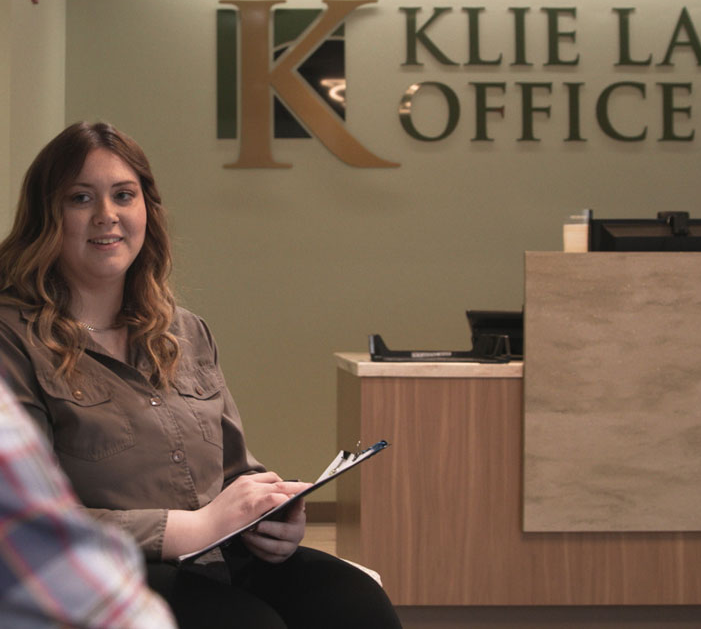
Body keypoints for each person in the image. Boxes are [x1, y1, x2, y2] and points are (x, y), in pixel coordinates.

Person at [0, 121, 402, 629]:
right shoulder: (12, 339)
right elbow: (25, 521)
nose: (107, 216)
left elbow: (236, 470)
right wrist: (184, 529)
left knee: (354, 602)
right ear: (47, 216)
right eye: (80, 198)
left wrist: (271, 514)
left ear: (147, 208)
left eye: (124, 195)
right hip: (104, 567)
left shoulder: (183, 331)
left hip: (215, 557)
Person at [0, 371, 177, 628]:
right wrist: (191, 526)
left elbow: (233, 467)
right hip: (138, 575)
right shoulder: (14, 345)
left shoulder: (187, 333)